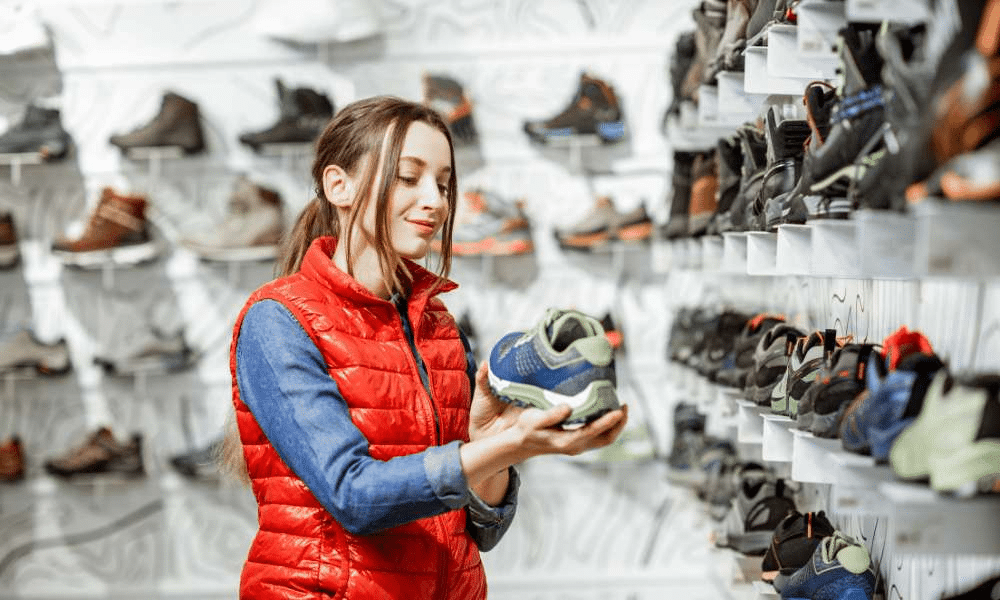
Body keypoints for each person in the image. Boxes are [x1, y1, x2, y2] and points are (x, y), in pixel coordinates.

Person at [219, 95, 629, 600]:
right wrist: (508, 445)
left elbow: (482, 530)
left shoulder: (438, 324)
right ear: (338, 185)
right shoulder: (278, 320)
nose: (435, 200)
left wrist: (487, 441)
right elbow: (354, 497)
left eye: (443, 182)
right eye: (407, 177)